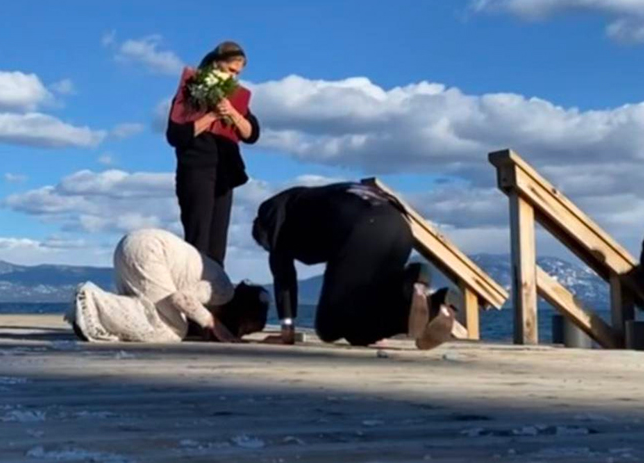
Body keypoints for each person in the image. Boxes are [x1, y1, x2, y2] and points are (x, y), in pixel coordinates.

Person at [252, 181, 461, 349]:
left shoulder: (271, 213)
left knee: (330, 328)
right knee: (360, 324)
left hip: (361, 229)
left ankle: (411, 290)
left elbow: (283, 274)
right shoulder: (315, 200)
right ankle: (431, 300)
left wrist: (286, 329)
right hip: (401, 228)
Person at [67, 228, 270, 343]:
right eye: (243, 330)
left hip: (136, 244)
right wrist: (213, 324)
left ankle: (91, 313)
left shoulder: (220, 282)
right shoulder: (224, 290)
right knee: (173, 330)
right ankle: (91, 302)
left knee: (151, 312)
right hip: (150, 251)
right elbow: (181, 299)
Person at [166, 41, 260, 267]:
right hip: (197, 169)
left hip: (224, 173)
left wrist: (233, 113)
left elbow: (252, 134)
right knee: (199, 237)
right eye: (230, 71)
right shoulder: (189, 93)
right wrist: (211, 116)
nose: (233, 78)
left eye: (237, 74)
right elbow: (176, 136)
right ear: (216, 65)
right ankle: (191, 290)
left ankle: (214, 297)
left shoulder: (236, 100)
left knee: (217, 245)